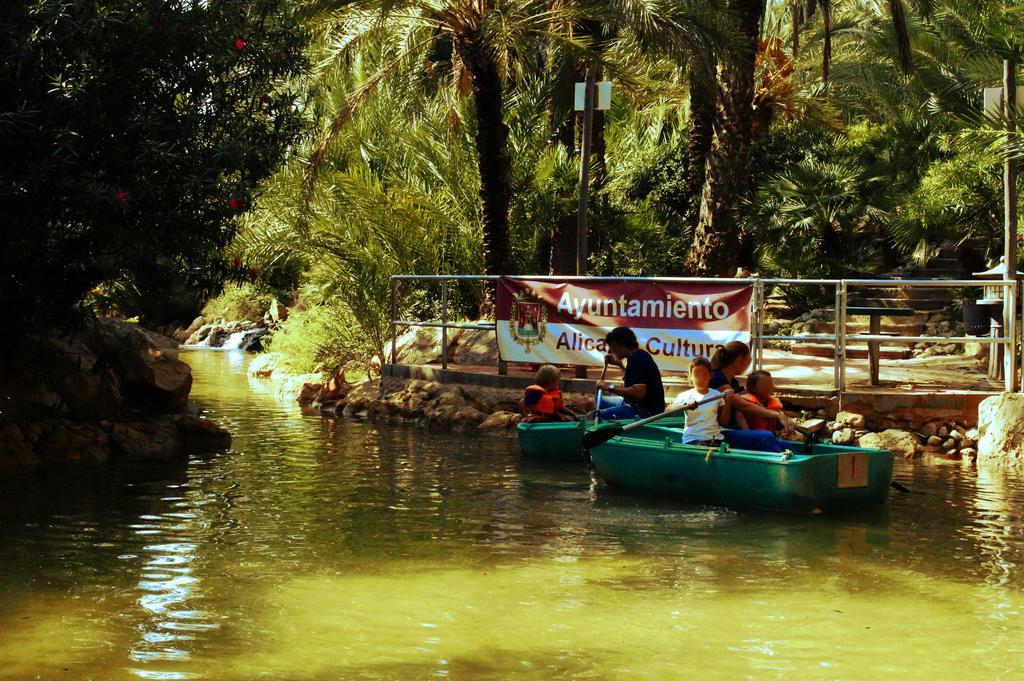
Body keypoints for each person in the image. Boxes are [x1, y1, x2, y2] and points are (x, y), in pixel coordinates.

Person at [710, 341, 796, 432]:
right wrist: (777, 415)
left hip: (731, 428)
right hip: (716, 430)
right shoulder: (716, 378)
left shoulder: (733, 382)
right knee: (765, 437)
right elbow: (743, 405)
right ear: (739, 359)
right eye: (748, 360)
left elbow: (743, 403)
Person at [594, 327, 665, 420]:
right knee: (593, 402)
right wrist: (620, 365)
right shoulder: (637, 355)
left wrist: (609, 387)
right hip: (633, 404)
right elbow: (633, 379)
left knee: (593, 416)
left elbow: (638, 393)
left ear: (622, 345)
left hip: (644, 411)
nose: (609, 350)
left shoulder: (637, 359)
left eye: (612, 345)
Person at [671, 357, 733, 445]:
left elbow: (724, 422)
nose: (700, 378)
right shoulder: (684, 396)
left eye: (704, 374)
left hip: (715, 439)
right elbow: (669, 410)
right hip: (692, 439)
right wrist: (684, 405)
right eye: (696, 375)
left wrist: (727, 400)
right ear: (690, 376)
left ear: (710, 375)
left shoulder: (716, 395)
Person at [740, 370, 791, 435]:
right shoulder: (745, 404)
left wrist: (784, 428)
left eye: (771, 384)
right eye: (767, 384)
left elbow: (779, 427)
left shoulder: (773, 405)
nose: (772, 387)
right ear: (753, 388)